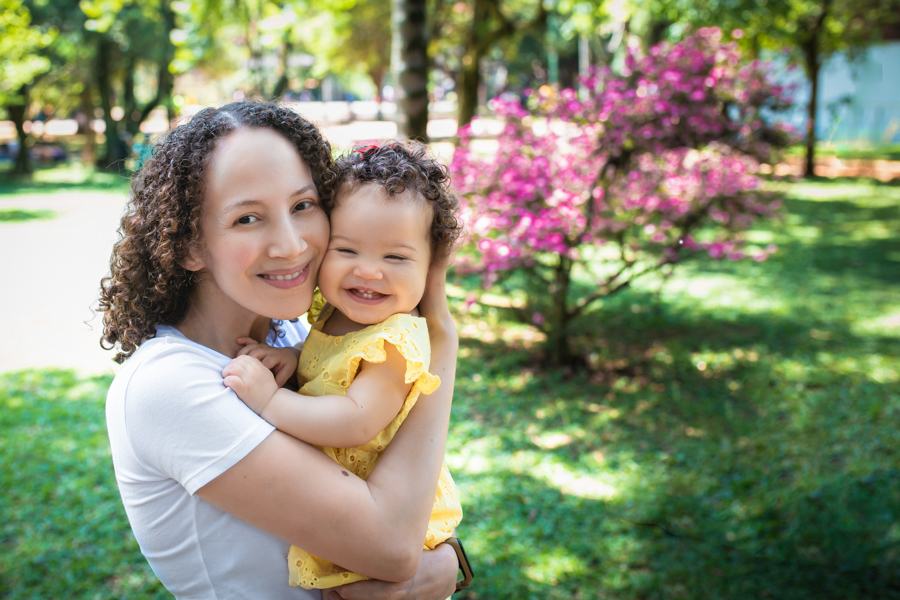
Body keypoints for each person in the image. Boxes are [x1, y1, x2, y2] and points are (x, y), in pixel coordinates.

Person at [99, 101, 461, 600]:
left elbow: (411, 503)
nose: (291, 245)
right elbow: (392, 547)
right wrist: (439, 340)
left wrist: (448, 560)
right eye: (248, 218)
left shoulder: (298, 343)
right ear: (189, 245)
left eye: (303, 206)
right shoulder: (167, 386)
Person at [222, 142, 464, 589]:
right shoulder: (332, 315)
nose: (368, 272)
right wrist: (294, 359)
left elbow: (355, 418)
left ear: (431, 270)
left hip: (400, 516)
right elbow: (334, 367)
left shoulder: (396, 340)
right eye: (347, 250)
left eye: (395, 257)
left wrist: (271, 400)